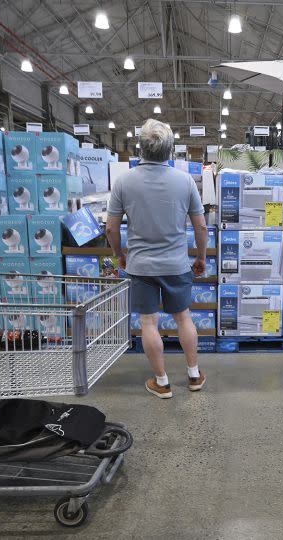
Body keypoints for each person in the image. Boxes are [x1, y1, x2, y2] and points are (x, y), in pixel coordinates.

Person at [105, 119, 209, 399]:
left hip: (141, 265)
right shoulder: (185, 181)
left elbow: (111, 228)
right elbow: (200, 227)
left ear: (140, 148)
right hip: (177, 264)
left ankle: (162, 382)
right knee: (183, 318)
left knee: (149, 323)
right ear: (170, 150)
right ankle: (194, 375)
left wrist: (118, 256)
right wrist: (200, 257)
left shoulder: (124, 182)